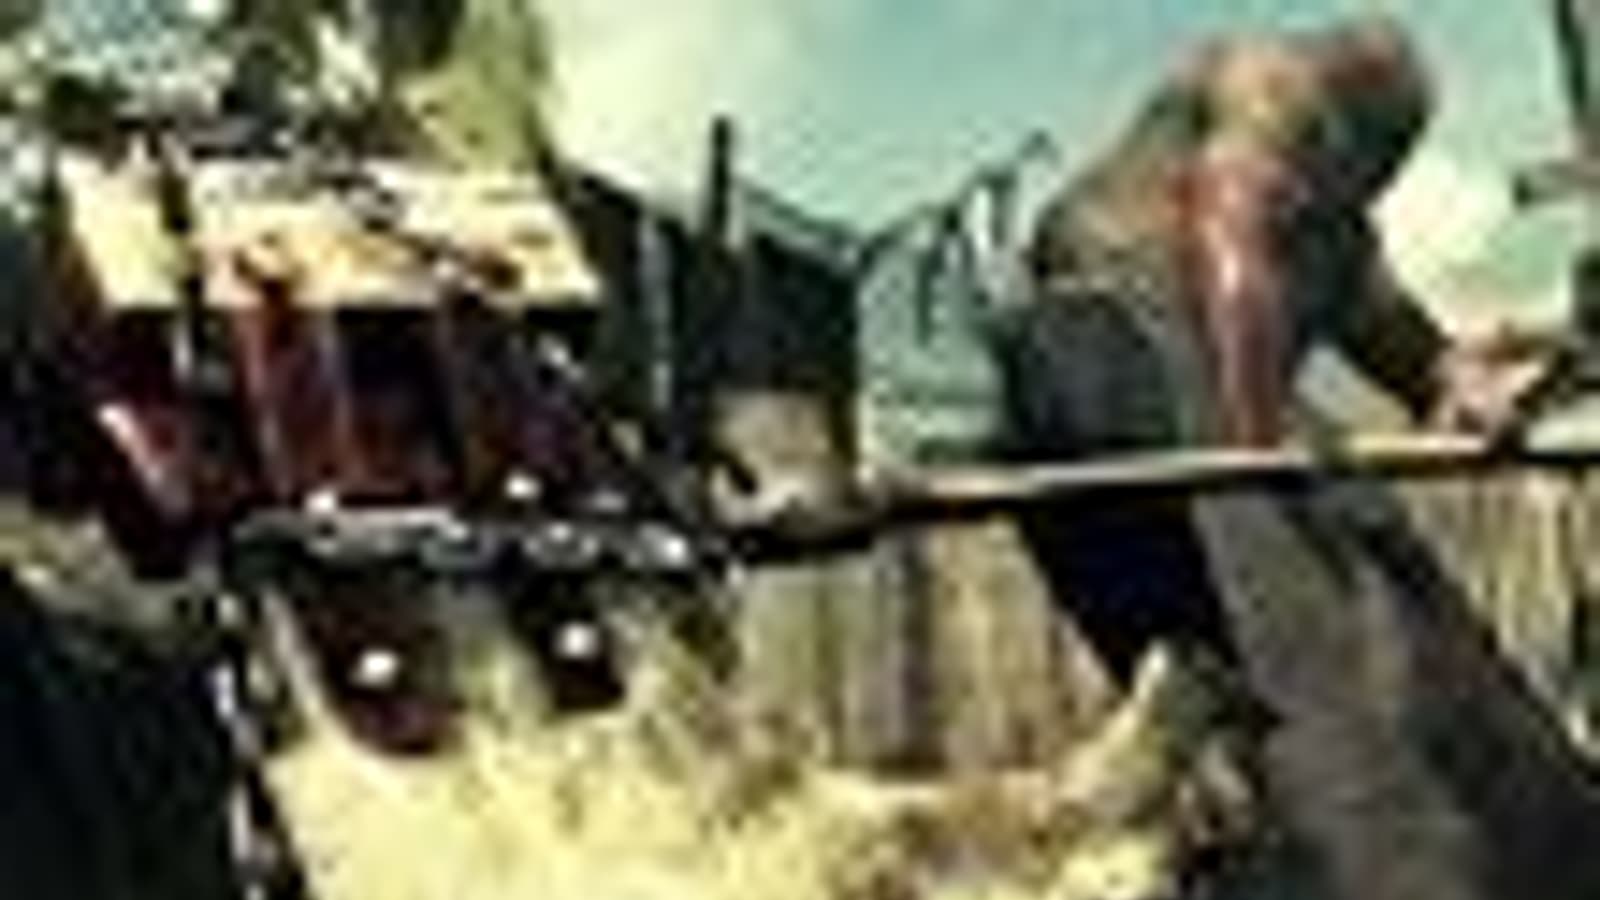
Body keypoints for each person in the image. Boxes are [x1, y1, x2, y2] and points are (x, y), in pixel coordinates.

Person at [997, 16, 1544, 683]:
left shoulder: (1335, 228)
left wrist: (1457, 379)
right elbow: (1231, 243)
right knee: (1318, 575)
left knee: (1375, 563)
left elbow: (1393, 330)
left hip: (1195, 419)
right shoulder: (1269, 90)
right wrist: (1261, 471)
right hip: (1110, 357)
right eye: (1383, 153)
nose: (1388, 174)